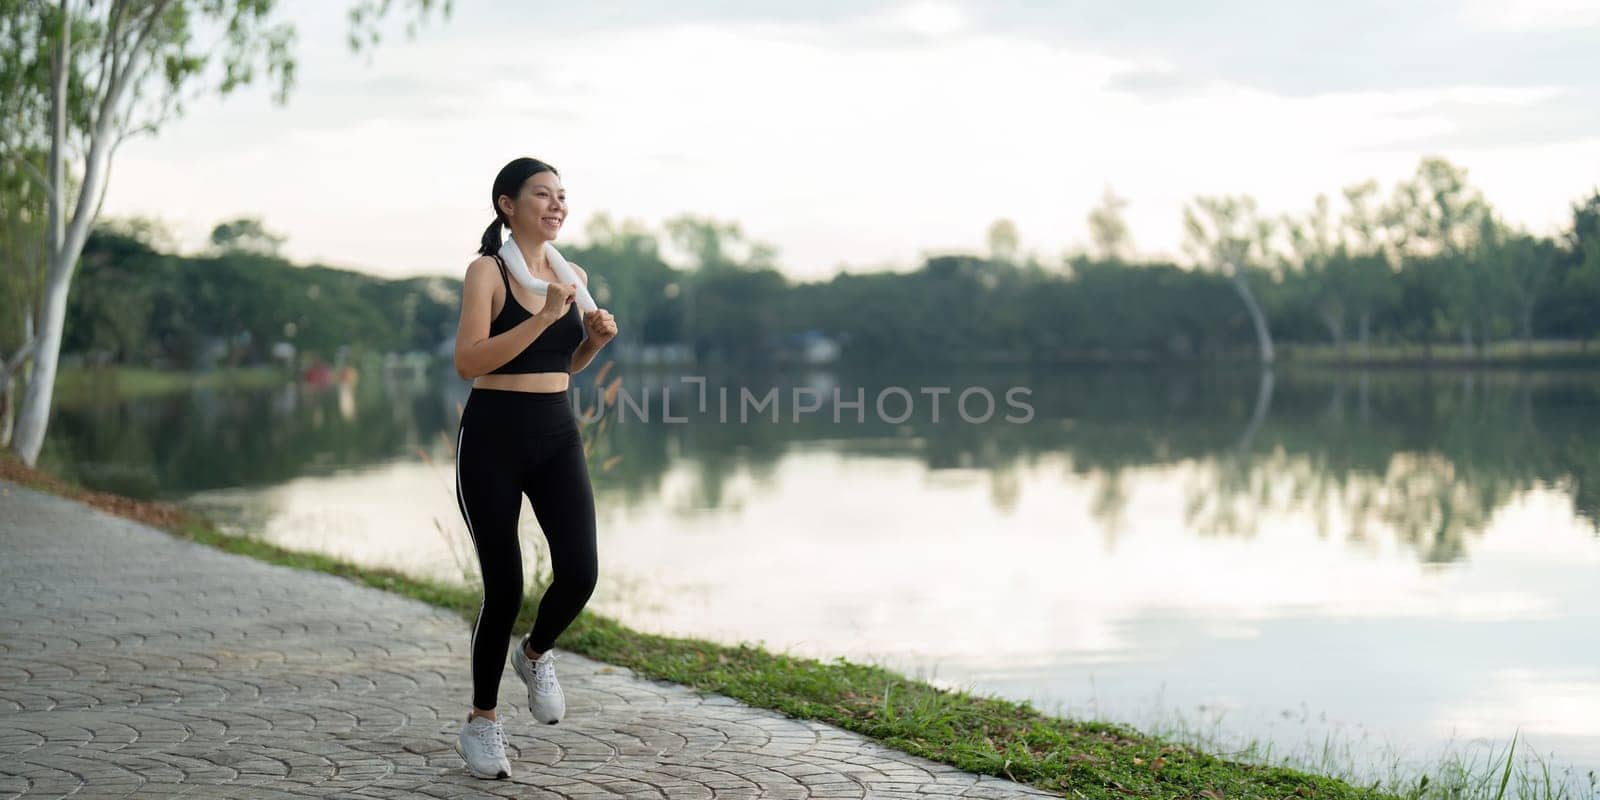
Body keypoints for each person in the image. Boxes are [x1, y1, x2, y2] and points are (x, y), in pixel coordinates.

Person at [449, 157, 618, 779]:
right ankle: (483, 724)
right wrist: (546, 316)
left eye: (562, 196)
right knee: (505, 588)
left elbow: (562, 365)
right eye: (542, 195)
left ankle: (537, 651)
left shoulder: (571, 273)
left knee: (580, 572)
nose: (556, 205)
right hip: (492, 435)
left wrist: (591, 343)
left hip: (556, 431)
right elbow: (469, 361)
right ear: (506, 204)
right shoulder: (486, 272)